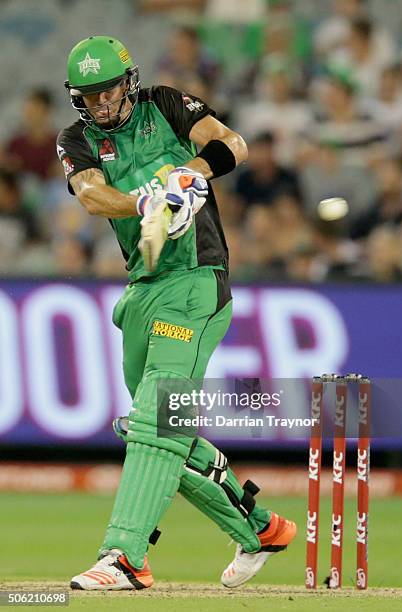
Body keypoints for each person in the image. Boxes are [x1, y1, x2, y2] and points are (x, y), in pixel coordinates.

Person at [57, 36, 296, 591]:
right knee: (167, 431)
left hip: (196, 283)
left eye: (109, 90)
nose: (101, 104)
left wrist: (189, 176)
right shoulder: (76, 139)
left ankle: (125, 556)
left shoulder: (165, 104)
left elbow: (232, 144)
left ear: (129, 81)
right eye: (89, 96)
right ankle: (261, 529)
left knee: (155, 422)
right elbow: (92, 195)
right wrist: (146, 201)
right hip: (143, 289)